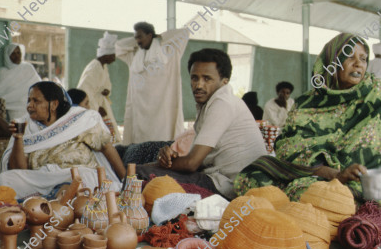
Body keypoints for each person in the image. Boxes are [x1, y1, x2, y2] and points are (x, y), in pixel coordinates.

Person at [234, 33, 381, 216]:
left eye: (364, 59)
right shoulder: (307, 104)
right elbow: (289, 151)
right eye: (349, 57)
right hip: (319, 177)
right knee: (256, 175)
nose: (358, 63)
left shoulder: (379, 95)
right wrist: (335, 174)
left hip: (363, 186)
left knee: (315, 197)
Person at [136, 48, 267, 199]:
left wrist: (161, 164)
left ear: (225, 81)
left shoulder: (223, 103)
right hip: (221, 180)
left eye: (207, 79)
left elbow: (192, 164)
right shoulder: (211, 103)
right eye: (194, 78)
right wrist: (169, 158)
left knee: (138, 173)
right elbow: (195, 160)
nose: (199, 85)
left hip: (229, 188)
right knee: (144, 169)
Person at [0, 81, 125, 199]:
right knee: (5, 179)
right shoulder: (26, 126)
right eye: (29, 100)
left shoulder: (80, 120)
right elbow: (18, 169)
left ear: (54, 104)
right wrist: (18, 138)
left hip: (76, 175)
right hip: (43, 179)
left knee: (85, 176)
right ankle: (55, 199)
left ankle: (54, 200)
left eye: (36, 101)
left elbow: (107, 147)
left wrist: (125, 180)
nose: (30, 106)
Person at [116, 22, 189, 144]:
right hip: (140, 113)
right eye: (136, 38)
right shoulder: (134, 55)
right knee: (140, 146)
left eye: (140, 37)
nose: (138, 41)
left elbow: (184, 33)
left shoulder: (169, 51)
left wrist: (159, 37)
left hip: (163, 113)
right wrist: (139, 40)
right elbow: (119, 46)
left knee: (162, 145)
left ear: (150, 35)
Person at [76, 32, 121, 142]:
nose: (114, 59)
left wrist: (106, 90)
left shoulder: (103, 66)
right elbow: (84, 91)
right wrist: (96, 109)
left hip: (101, 105)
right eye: (113, 56)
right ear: (106, 55)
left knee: (111, 135)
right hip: (93, 108)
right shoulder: (94, 67)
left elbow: (106, 85)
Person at [0, 43, 41, 120]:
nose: (17, 56)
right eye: (13, 53)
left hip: (33, 110)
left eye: (18, 52)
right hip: (16, 113)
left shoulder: (28, 68)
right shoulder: (3, 72)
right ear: (7, 56)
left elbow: (39, 87)